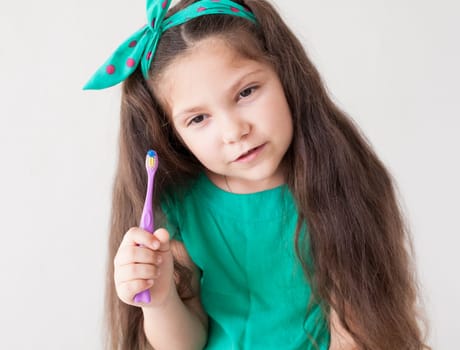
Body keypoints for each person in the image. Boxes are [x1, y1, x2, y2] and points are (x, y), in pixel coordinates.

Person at [84, 0, 431, 349]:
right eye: (198, 119)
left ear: (285, 75)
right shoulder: (180, 208)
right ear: (174, 136)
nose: (234, 131)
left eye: (246, 92)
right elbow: (185, 343)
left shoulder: (338, 182)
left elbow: (354, 335)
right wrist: (160, 302)